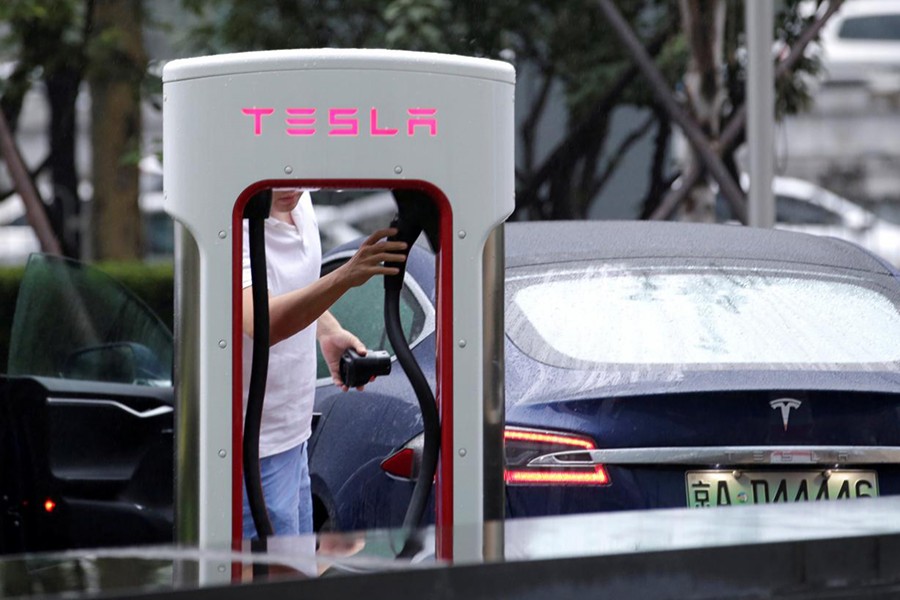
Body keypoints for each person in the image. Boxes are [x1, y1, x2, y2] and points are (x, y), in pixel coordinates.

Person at [241, 187, 407, 539]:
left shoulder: (302, 203)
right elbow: (259, 320)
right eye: (282, 177)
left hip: (293, 434)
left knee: (296, 571)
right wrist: (344, 277)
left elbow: (293, 287)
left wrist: (328, 331)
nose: (293, 189)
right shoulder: (235, 218)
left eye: (303, 178)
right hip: (250, 450)